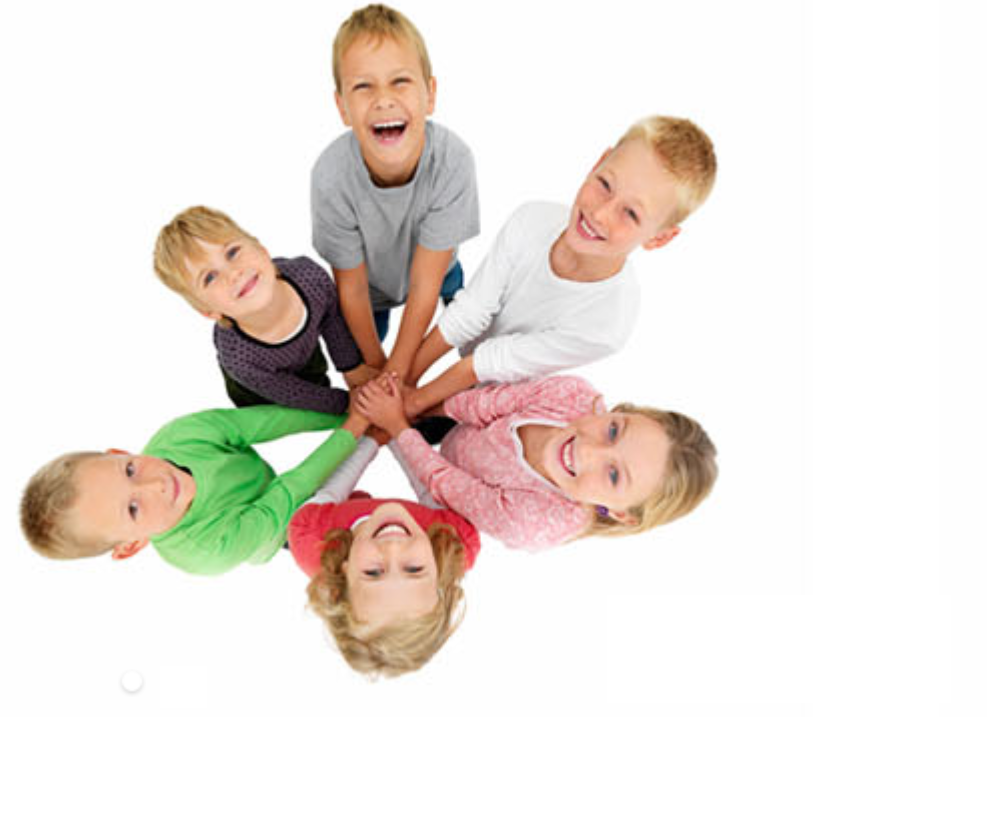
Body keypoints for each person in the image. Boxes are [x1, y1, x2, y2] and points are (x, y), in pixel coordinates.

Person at [404, 115, 717, 419]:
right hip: (475, 351)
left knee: (440, 421)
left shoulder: (607, 325)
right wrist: (402, 377)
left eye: (631, 214)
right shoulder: (531, 219)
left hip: (498, 395)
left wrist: (412, 404)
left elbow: (490, 362)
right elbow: (470, 313)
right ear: (599, 162)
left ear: (659, 238)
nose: (600, 214)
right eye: (605, 184)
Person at [356, 373, 717, 552]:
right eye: (612, 430)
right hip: (460, 429)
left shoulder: (535, 522)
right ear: (620, 412)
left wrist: (397, 426)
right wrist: (413, 406)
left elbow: (444, 482)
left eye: (613, 475)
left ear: (620, 513)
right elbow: (479, 405)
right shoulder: (572, 396)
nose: (588, 451)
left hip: (448, 488)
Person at [312, 3, 479, 382]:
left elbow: (424, 284)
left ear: (429, 94)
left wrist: (401, 373)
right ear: (342, 107)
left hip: (435, 271)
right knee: (365, 349)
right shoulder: (331, 177)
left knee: (460, 306)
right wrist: (380, 371)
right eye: (363, 86)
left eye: (400, 81)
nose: (383, 99)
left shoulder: (452, 160)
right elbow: (352, 290)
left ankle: (458, 305)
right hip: (370, 288)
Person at [20, 406, 368, 575]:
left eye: (130, 470)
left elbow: (269, 420)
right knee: (338, 549)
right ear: (132, 545)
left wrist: (348, 412)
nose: (156, 485)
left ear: (120, 453)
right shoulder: (204, 550)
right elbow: (288, 492)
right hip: (281, 529)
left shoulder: (179, 437)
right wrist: (355, 430)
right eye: (133, 509)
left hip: (260, 478)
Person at [289, 431, 479, 677]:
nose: (393, 548)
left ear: (345, 573)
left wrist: (370, 438)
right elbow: (430, 484)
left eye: (373, 572)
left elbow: (331, 489)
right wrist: (397, 431)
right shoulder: (454, 541)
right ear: (438, 570)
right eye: (414, 569)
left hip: (343, 508)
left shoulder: (312, 536)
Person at [153, 205, 376, 412]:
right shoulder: (239, 358)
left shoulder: (309, 277)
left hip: (304, 350)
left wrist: (352, 368)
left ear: (262, 250)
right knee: (286, 413)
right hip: (256, 390)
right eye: (210, 277)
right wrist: (345, 402)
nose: (233, 274)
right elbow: (293, 394)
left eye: (232, 252)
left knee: (316, 375)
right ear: (209, 311)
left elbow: (332, 320)